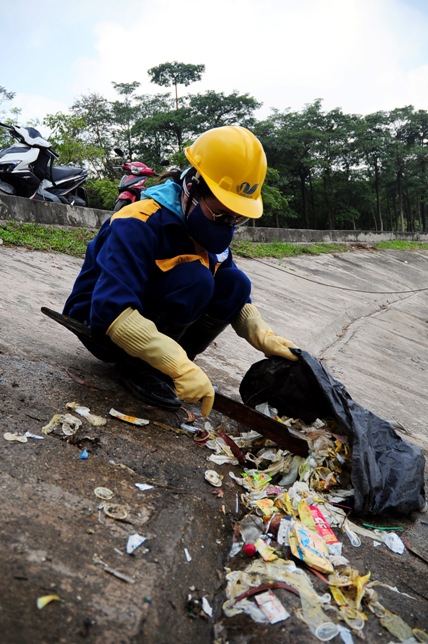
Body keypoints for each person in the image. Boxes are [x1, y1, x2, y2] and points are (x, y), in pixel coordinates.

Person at [63, 125, 298, 417]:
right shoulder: (137, 222)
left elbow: (229, 286)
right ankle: (139, 365)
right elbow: (110, 311)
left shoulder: (209, 227)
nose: (229, 223)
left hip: (141, 313)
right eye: (223, 213)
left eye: (237, 218)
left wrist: (262, 335)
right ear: (192, 188)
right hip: (99, 322)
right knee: (195, 280)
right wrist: (176, 363)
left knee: (236, 282)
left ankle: (165, 364)